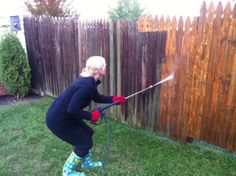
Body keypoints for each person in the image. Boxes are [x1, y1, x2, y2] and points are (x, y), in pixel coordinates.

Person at [46, 56, 125, 176]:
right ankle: (67, 171)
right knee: (84, 143)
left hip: (66, 116)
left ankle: (86, 163)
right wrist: (91, 116)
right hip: (58, 120)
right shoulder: (86, 85)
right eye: (104, 65)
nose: (106, 67)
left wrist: (114, 100)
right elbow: (72, 109)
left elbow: (97, 97)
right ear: (98, 69)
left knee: (88, 133)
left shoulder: (90, 81)